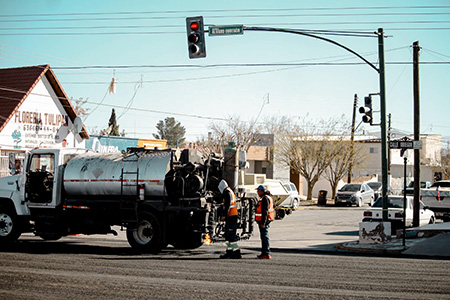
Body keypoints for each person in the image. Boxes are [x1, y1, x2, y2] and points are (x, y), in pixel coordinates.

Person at [218, 179, 241, 259]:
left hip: (231, 216)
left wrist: (224, 215)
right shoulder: (230, 191)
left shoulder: (227, 193)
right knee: (228, 236)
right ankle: (229, 251)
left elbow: (227, 205)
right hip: (232, 215)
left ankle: (236, 252)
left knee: (231, 235)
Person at [255, 185, 275, 259]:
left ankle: (266, 253)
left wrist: (263, 223)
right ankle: (264, 252)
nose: (257, 192)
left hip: (264, 222)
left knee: (264, 237)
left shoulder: (265, 199)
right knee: (264, 237)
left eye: (258, 191)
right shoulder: (267, 197)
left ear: (262, 191)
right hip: (266, 220)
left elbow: (265, 212)